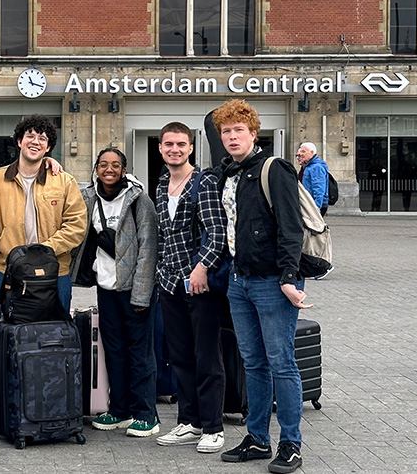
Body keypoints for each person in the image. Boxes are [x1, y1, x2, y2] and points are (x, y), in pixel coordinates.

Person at [213, 99, 310, 474]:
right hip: (240, 281)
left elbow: (291, 228)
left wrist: (288, 278)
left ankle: (290, 443)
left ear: (254, 134)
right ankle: (257, 438)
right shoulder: (228, 174)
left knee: (281, 363)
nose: (232, 137)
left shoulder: (275, 169)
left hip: (273, 281)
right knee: (253, 363)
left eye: (239, 130)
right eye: (226, 132)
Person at [72, 148, 159, 437]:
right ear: (96, 168)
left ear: (124, 170)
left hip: (135, 288)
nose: (109, 170)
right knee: (115, 351)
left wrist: (142, 295)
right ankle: (120, 410)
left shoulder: (138, 200)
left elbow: (148, 249)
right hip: (106, 287)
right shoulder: (90, 198)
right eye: (103, 164)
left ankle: (146, 413)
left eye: (116, 165)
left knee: (140, 353)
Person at [153, 122, 228, 453]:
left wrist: (201, 269)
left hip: (199, 285)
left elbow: (217, 232)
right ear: (160, 148)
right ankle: (189, 422)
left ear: (191, 147)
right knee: (180, 357)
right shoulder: (160, 186)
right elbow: (161, 237)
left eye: (181, 144)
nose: (175, 149)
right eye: (169, 144)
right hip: (169, 284)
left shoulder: (205, 182)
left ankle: (213, 427)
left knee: (207, 357)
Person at [0, 114, 88, 314]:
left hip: (55, 272)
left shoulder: (64, 182)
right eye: (30, 136)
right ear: (19, 141)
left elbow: (76, 225)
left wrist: (44, 251)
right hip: (10, 270)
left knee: (55, 336)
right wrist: (2, 245)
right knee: (12, 334)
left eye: (42, 138)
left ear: (48, 147)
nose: (36, 141)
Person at [295, 142, 329, 216]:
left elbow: (319, 189)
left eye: (303, 151)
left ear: (312, 152)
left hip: (313, 204)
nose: (300, 155)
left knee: (314, 225)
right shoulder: (307, 167)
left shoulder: (316, 167)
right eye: (298, 154)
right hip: (309, 203)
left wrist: (316, 209)